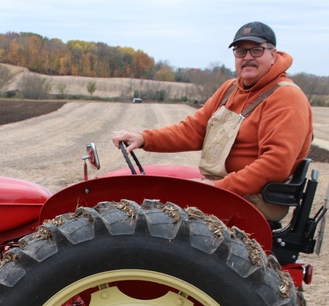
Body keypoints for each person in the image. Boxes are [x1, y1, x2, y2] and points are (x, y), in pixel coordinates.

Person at [112, 21, 313, 222]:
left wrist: (219, 189)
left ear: (273, 54)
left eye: (257, 50)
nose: (248, 57)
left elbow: (276, 165)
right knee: (150, 199)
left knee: (162, 217)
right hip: (224, 186)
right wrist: (144, 138)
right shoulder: (230, 89)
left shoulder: (285, 97)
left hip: (254, 199)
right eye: (241, 51)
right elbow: (192, 131)